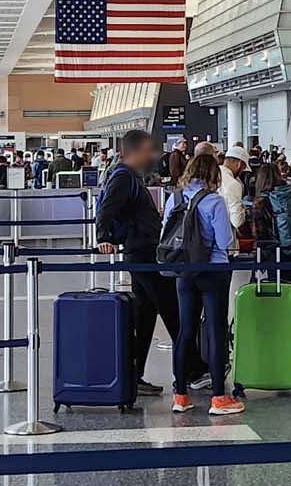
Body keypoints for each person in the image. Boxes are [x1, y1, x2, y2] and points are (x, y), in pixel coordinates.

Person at [97, 129, 177, 396]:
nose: (151, 156)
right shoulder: (123, 177)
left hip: (142, 251)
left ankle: (134, 374)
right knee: (171, 308)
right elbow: (107, 208)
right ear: (135, 152)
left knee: (146, 315)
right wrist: (103, 236)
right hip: (143, 253)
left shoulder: (130, 177)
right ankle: (194, 368)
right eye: (147, 150)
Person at [164, 151, 241, 417]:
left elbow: (167, 232)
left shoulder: (174, 198)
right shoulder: (214, 201)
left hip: (184, 271)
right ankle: (219, 397)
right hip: (213, 270)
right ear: (213, 175)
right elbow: (223, 241)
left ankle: (180, 394)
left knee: (185, 330)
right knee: (215, 330)